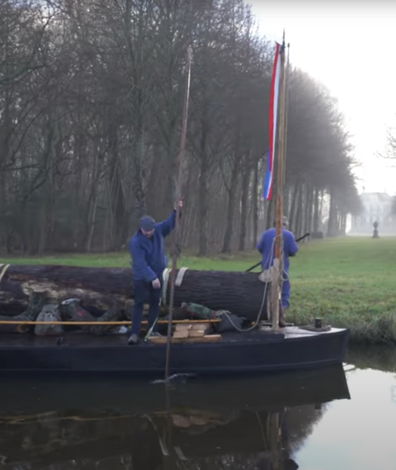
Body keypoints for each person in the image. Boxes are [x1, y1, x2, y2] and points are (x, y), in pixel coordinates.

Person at [127, 199, 183, 345]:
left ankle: (153, 329)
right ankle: (134, 333)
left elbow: (169, 224)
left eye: (151, 230)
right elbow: (140, 264)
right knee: (139, 303)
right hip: (141, 278)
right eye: (147, 231)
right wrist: (151, 277)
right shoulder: (135, 242)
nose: (150, 233)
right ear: (141, 229)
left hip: (157, 274)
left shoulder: (157, 230)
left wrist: (176, 211)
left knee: (155, 303)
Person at [256, 216, 298, 313]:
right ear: (285, 224)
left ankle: (265, 307)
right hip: (281, 267)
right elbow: (293, 250)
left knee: (266, 287)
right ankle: (283, 306)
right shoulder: (288, 234)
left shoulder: (266, 233)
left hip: (266, 267)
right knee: (284, 284)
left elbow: (259, 247)